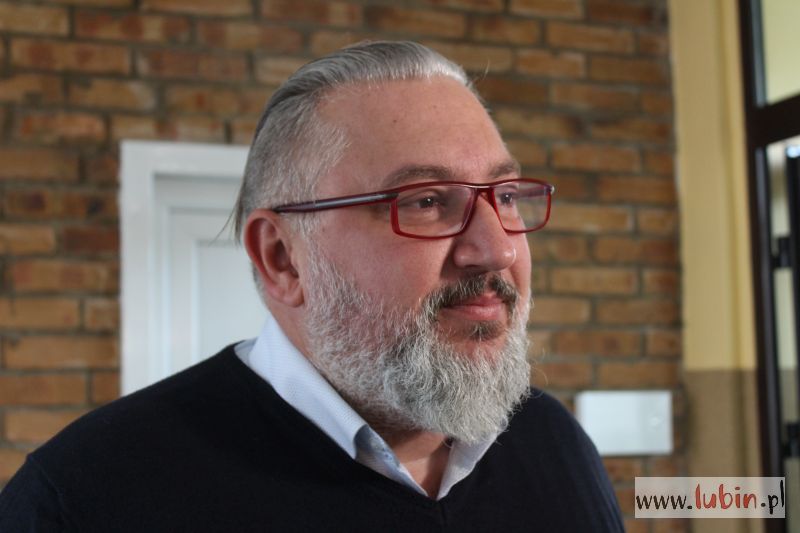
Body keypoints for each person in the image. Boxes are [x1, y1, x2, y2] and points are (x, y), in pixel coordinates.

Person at [0, 41, 623, 532]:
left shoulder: (552, 441)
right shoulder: (85, 496)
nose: (498, 249)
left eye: (505, 196)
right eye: (427, 201)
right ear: (283, 259)